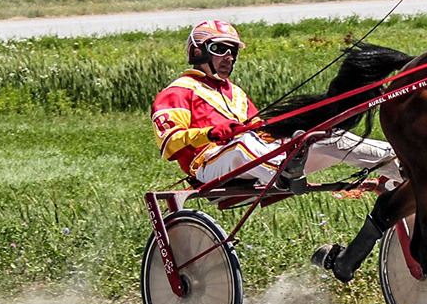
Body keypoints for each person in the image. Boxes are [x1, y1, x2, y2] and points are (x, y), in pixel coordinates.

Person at [152, 19, 400, 190]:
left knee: (328, 136)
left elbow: (260, 131)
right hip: (209, 166)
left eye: (232, 51)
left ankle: (400, 165)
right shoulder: (177, 92)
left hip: (255, 160)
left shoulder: (236, 93)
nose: (229, 56)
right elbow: (168, 143)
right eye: (219, 49)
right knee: (242, 143)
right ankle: (283, 174)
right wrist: (209, 133)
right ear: (197, 53)